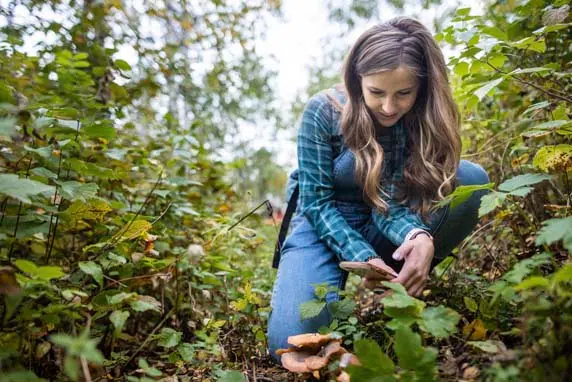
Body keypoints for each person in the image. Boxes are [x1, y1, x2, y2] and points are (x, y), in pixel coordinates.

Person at [266, 16, 489, 363]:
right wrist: (363, 256)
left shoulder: (415, 121)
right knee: (289, 339)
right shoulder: (321, 112)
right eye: (376, 92)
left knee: (471, 178)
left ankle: (403, 284)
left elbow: (390, 202)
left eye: (403, 93)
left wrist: (418, 235)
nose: (388, 107)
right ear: (357, 81)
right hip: (322, 220)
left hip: (383, 214)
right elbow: (316, 203)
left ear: (421, 87)